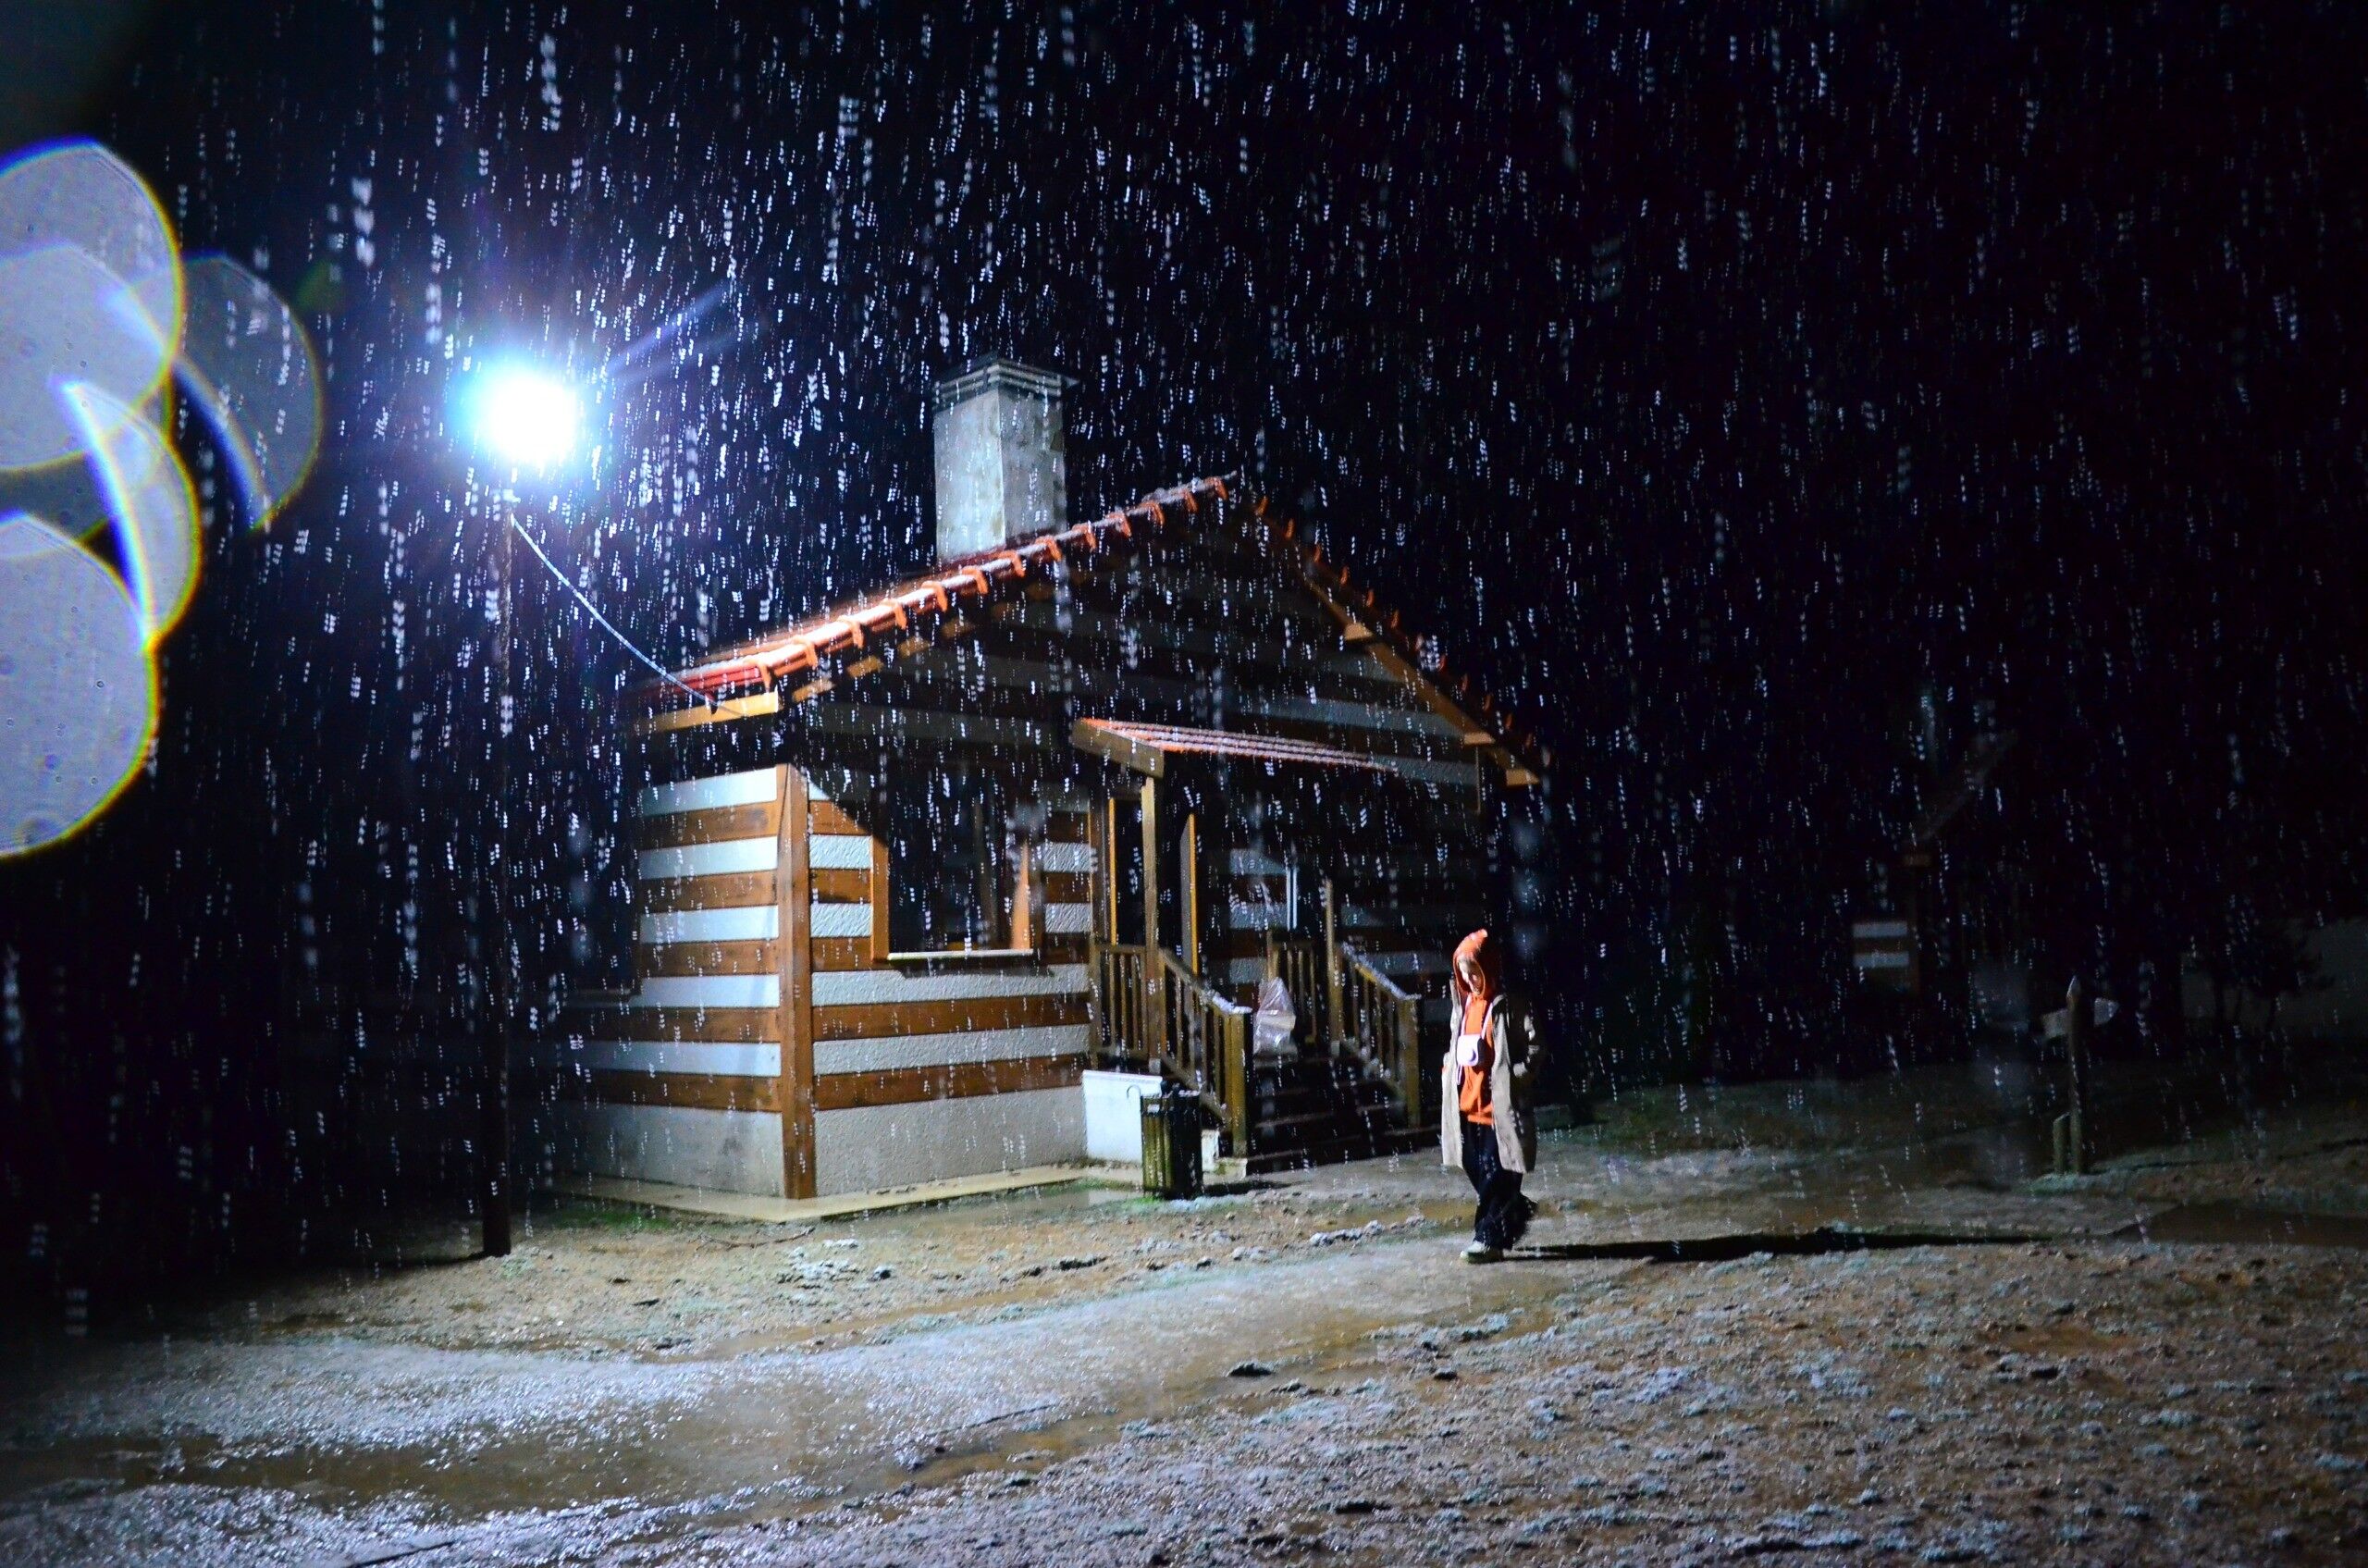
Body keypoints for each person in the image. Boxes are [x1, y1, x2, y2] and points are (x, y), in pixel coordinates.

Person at [1440, 928, 1538, 1262]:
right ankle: (1513, 1211)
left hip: (1498, 1108)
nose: (1469, 980)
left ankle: (1488, 1240)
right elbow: (1453, 1045)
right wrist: (1448, 1068)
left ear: (1488, 968)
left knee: (1496, 1175)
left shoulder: (1508, 1006)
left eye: (1474, 972)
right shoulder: (1464, 1006)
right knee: (1475, 1167)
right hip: (1466, 1107)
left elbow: (1536, 1045)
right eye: (1463, 973)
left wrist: (1519, 1074)